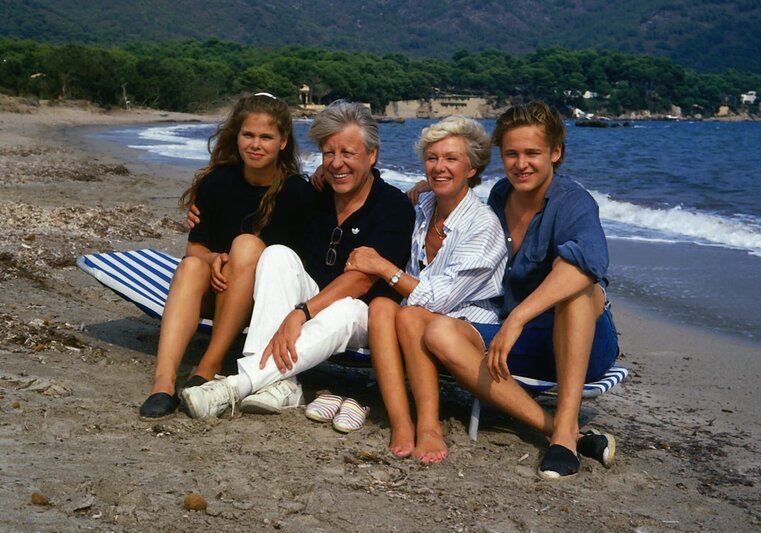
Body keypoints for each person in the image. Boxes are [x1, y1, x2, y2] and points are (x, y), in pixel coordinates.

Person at [180, 101, 416, 419]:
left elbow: (361, 280)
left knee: (344, 310)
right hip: (311, 297)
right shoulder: (315, 194)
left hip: (361, 312)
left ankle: (237, 385)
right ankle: (281, 384)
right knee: (276, 254)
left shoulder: (393, 206)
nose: (337, 163)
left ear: (372, 155)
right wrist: (201, 213)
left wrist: (301, 313)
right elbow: (253, 213)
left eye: (348, 153)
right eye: (329, 154)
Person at [421, 101, 619, 479]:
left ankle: (563, 438)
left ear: (555, 153)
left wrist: (517, 319)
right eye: (511, 153)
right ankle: (558, 428)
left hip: (583, 342)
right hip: (520, 343)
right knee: (439, 331)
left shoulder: (572, 201)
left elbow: (591, 263)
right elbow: (465, 204)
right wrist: (433, 188)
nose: (521, 163)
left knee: (578, 286)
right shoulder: (499, 195)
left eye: (532, 153)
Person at [138, 92, 314, 419]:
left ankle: (210, 363)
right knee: (192, 265)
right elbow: (196, 248)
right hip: (219, 295)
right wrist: (214, 260)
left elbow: (296, 268)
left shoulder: (298, 194)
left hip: (265, 310)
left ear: (283, 142)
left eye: (266, 137)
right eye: (248, 135)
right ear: (237, 137)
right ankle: (162, 381)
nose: (256, 144)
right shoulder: (219, 182)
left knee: (246, 245)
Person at [344, 116, 506, 463]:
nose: (439, 167)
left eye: (451, 158)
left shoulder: (483, 226)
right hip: (416, 317)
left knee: (411, 314)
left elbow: (440, 300)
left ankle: (429, 426)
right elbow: (378, 200)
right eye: (432, 159)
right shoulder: (424, 206)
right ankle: (402, 422)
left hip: (470, 324)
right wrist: (320, 178)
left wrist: (381, 266)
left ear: (473, 167)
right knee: (383, 308)